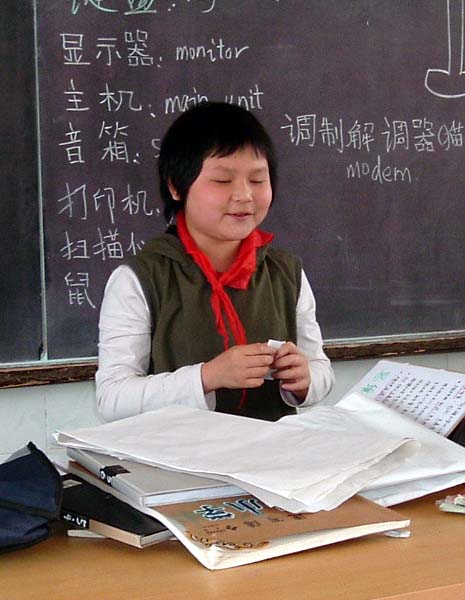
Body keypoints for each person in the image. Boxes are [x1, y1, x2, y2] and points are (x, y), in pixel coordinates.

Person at [96, 102, 333, 422]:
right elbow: (112, 399)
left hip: (272, 450)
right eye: (222, 181)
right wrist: (207, 377)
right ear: (176, 186)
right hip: (177, 451)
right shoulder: (140, 279)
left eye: (257, 180)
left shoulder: (285, 273)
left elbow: (320, 369)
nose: (244, 195)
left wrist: (305, 381)